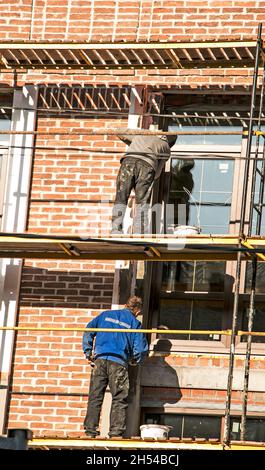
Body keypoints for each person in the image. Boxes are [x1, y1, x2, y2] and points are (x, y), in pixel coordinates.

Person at [82, 296, 148, 438]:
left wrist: (88, 352)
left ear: (125, 305)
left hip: (100, 361)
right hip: (118, 363)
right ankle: (116, 433)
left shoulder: (105, 315)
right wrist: (135, 361)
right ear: (138, 311)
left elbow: (88, 330)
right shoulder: (134, 323)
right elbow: (141, 349)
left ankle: (90, 431)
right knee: (119, 398)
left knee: (95, 397)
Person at [111, 129, 178, 234]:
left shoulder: (143, 134)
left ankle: (115, 230)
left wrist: (135, 145)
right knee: (142, 203)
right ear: (170, 143)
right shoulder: (166, 148)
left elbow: (121, 133)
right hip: (147, 166)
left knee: (121, 197)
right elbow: (157, 174)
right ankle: (140, 232)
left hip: (128, 162)